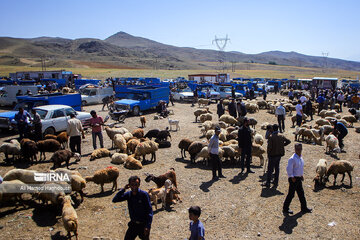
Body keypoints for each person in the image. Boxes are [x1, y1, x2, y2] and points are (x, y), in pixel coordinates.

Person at [112, 176, 153, 240]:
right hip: (133, 224)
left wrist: (148, 226)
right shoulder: (128, 194)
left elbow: (149, 210)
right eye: (132, 185)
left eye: (136, 184)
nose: (134, 186)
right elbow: (115, 200)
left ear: (139, 185)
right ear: (129, 185)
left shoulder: (144, 195)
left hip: (143, 225)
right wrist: (123, 189)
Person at [283, 143, 312, 215]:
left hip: (298, 178)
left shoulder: (300, 158)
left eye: (299, 149)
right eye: (297, 149)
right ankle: (285, 208)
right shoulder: (292, 158)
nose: (298, 150)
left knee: (301, 193)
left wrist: (301, 175)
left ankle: (304, 207)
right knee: (291, 194)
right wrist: (292, 177)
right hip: (294, 179)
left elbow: (299, 168)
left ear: (301, 149)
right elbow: (289, 169)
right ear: (295, 149)